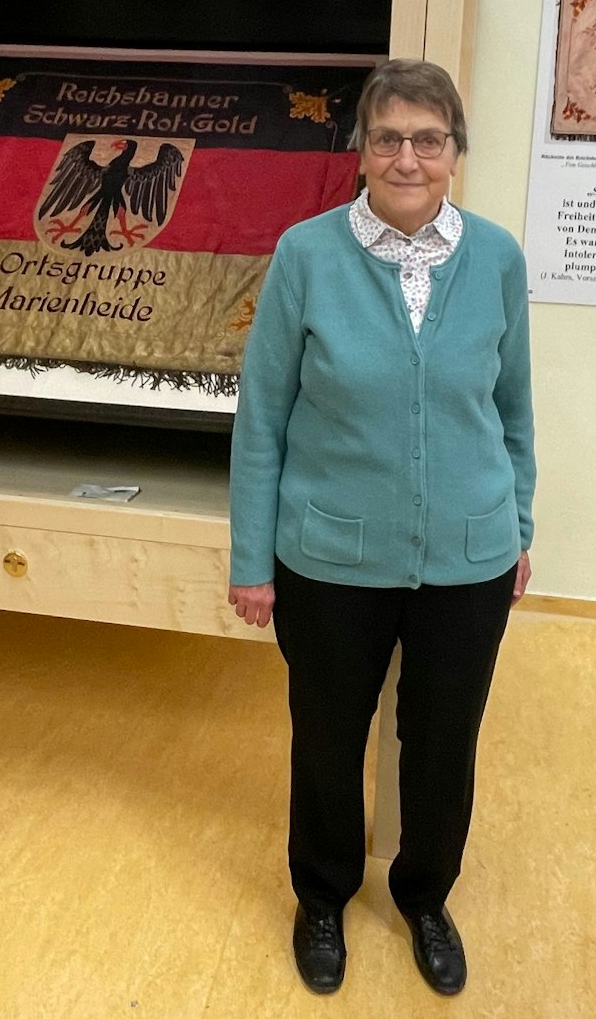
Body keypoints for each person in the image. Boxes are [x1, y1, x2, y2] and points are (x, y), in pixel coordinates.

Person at [227, 58, 535, 997]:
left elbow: (513, 406)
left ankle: (426, 894)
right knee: (327, 735)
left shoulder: (497, 257)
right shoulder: (306, 254)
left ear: (454, 153)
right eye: (389, 137)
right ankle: (321, 896)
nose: (408, 157)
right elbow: (263, 415)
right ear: (363, 150)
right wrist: (251, 559)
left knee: (444, 740)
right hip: (328, 558)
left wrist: (517, 522)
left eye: (428, 139)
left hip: (468, 557)